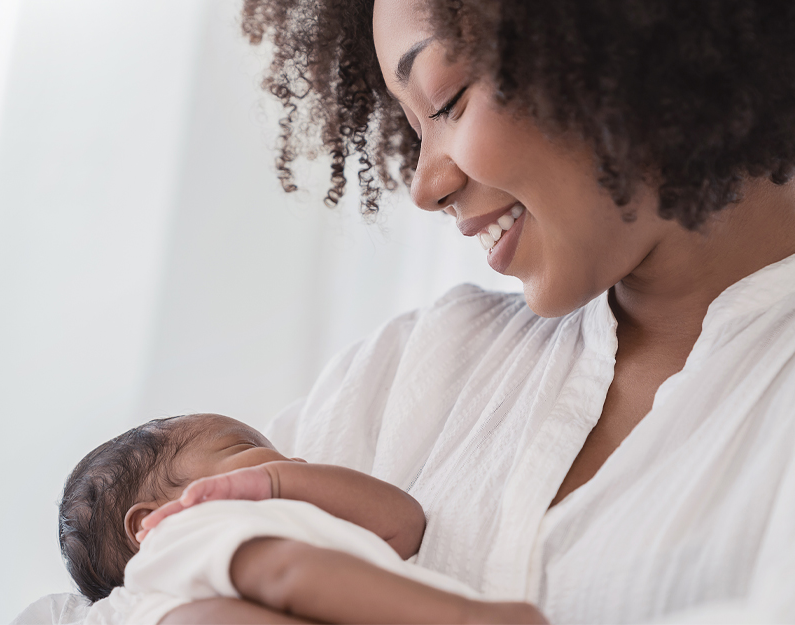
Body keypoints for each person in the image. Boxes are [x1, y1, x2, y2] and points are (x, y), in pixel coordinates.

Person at [151, 0, 795, 622]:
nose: (427, 186)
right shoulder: (410, 366)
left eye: (446, 102)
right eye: (413, 127)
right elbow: (119, 580)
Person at [56, 413, 542, 624]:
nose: (290, 462)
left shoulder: (297, 521)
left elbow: (404, 523)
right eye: (247, 449)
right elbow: (286, 574)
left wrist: (278, 482)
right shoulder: (181, 532)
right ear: (150, 522)